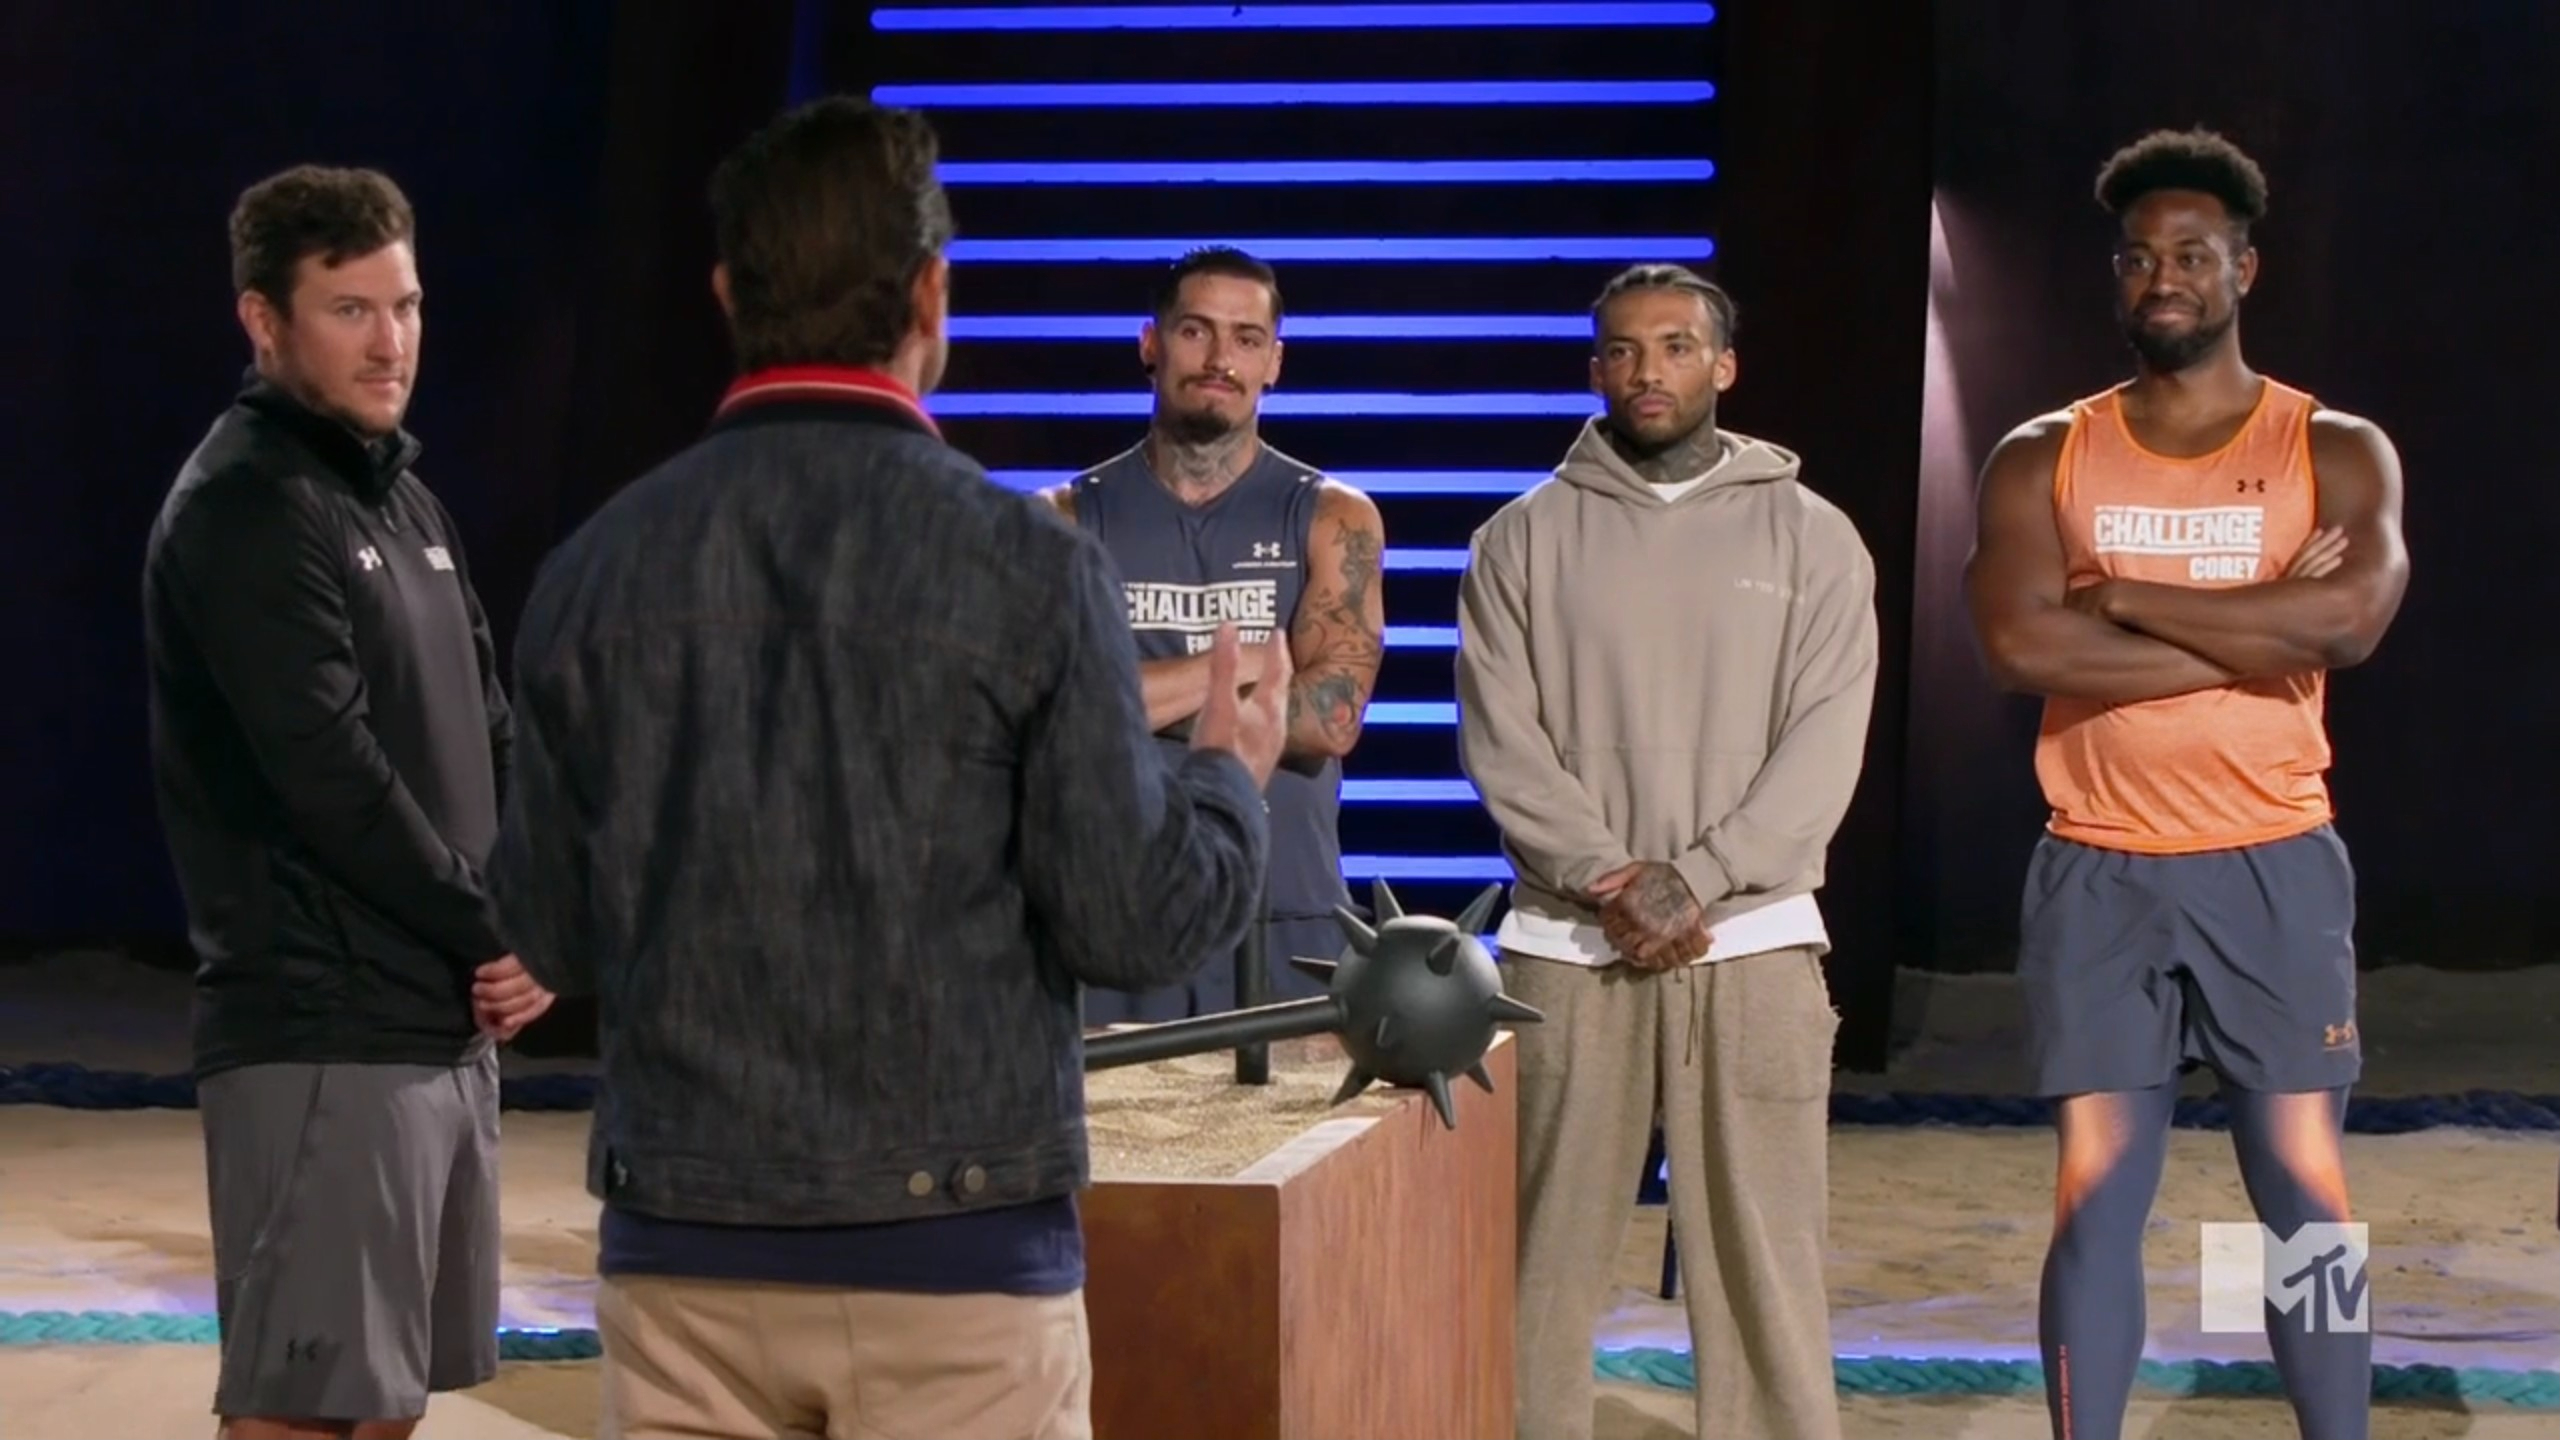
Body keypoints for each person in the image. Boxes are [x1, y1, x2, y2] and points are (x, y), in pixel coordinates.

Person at [483, 97, 1289, 1440]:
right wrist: (1222, 776)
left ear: (730, 294)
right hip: (958, 1266)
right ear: (931, 295)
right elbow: (1135, 923)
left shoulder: (594, 569)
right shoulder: (1031, 567)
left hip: (683, 1251)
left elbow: (551, 931)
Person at [1962, 127, 2410, 1440]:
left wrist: (2125, 597)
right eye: (2140, 257)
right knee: (2096, 1193)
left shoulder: (2334, 447)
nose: (2164, 277)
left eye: (2193, 255)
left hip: (2273, 860)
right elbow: (2019, 649)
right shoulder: (2042, 454)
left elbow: (2349, 625)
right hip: (2097, 864)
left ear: (2243, 270)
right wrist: (2260, 622)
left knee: (2303, 1194)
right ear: (2117, 274)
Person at [141, 164, 553, 1440]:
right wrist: (492, 931)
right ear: (263, 321)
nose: (392, 343)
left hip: (439, 1024)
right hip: (321, 1027)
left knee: (386, 1404)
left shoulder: (404, 499)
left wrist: (532, 915)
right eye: (351, 310)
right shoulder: (246, 507)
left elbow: (492, 729)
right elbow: (331, 776)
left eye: (407, 305)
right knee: (301, 1410)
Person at [1456, 262, 1877, 1440]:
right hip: (1565, 952)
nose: (1648, 371)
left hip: (1753, 945)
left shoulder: (1814, 538)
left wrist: (1693, 879)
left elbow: (1823, 744)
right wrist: (1613, 878)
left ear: (1723, 365)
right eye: (1623, 350)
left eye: (1676, 346)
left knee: (1765, 1269)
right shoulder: (1518, 540)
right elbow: (1500, 741)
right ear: (1595, 369)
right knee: (1538, 1266)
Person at [1036, 247, 1385, 1024]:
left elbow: (1332, 719)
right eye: (1196, 331)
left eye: (1246, 338)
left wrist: (1124, 703)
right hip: (1116, 918)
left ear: (1274, 362)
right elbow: (1048, 714)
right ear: (1150, 344)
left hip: (1287, 917)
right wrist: (1254, 666)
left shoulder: (1336, 517)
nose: (1221, 358)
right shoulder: (1059, 520)